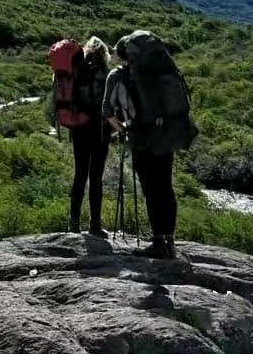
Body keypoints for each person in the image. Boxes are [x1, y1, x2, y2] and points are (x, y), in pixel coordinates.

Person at [104, 30, 197, 259]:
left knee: (151, 189)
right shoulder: (160, 72)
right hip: (165, 135)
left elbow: (107, 112)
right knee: (165, 187)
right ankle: (169, 241)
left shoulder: (117, 76)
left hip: (141, 138)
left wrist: (123, 129)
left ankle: (158, 243)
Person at [66, 36, 113, 236]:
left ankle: (74, 223)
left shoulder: (76, 72)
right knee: (96, 178)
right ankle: (95, 224)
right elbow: (112, 106)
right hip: (100, 131)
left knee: (79, 176)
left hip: (79, 129)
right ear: (104, 53)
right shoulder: (107, 74)